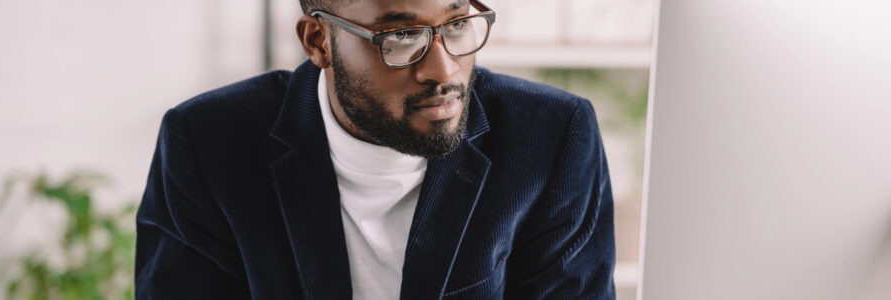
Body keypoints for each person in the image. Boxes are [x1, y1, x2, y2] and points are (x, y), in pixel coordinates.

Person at [134, 0, 616, 299]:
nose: (443, 71)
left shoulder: (551, 135)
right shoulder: (206, 141)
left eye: (456, 25)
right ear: (319, 41)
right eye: (402, 36)